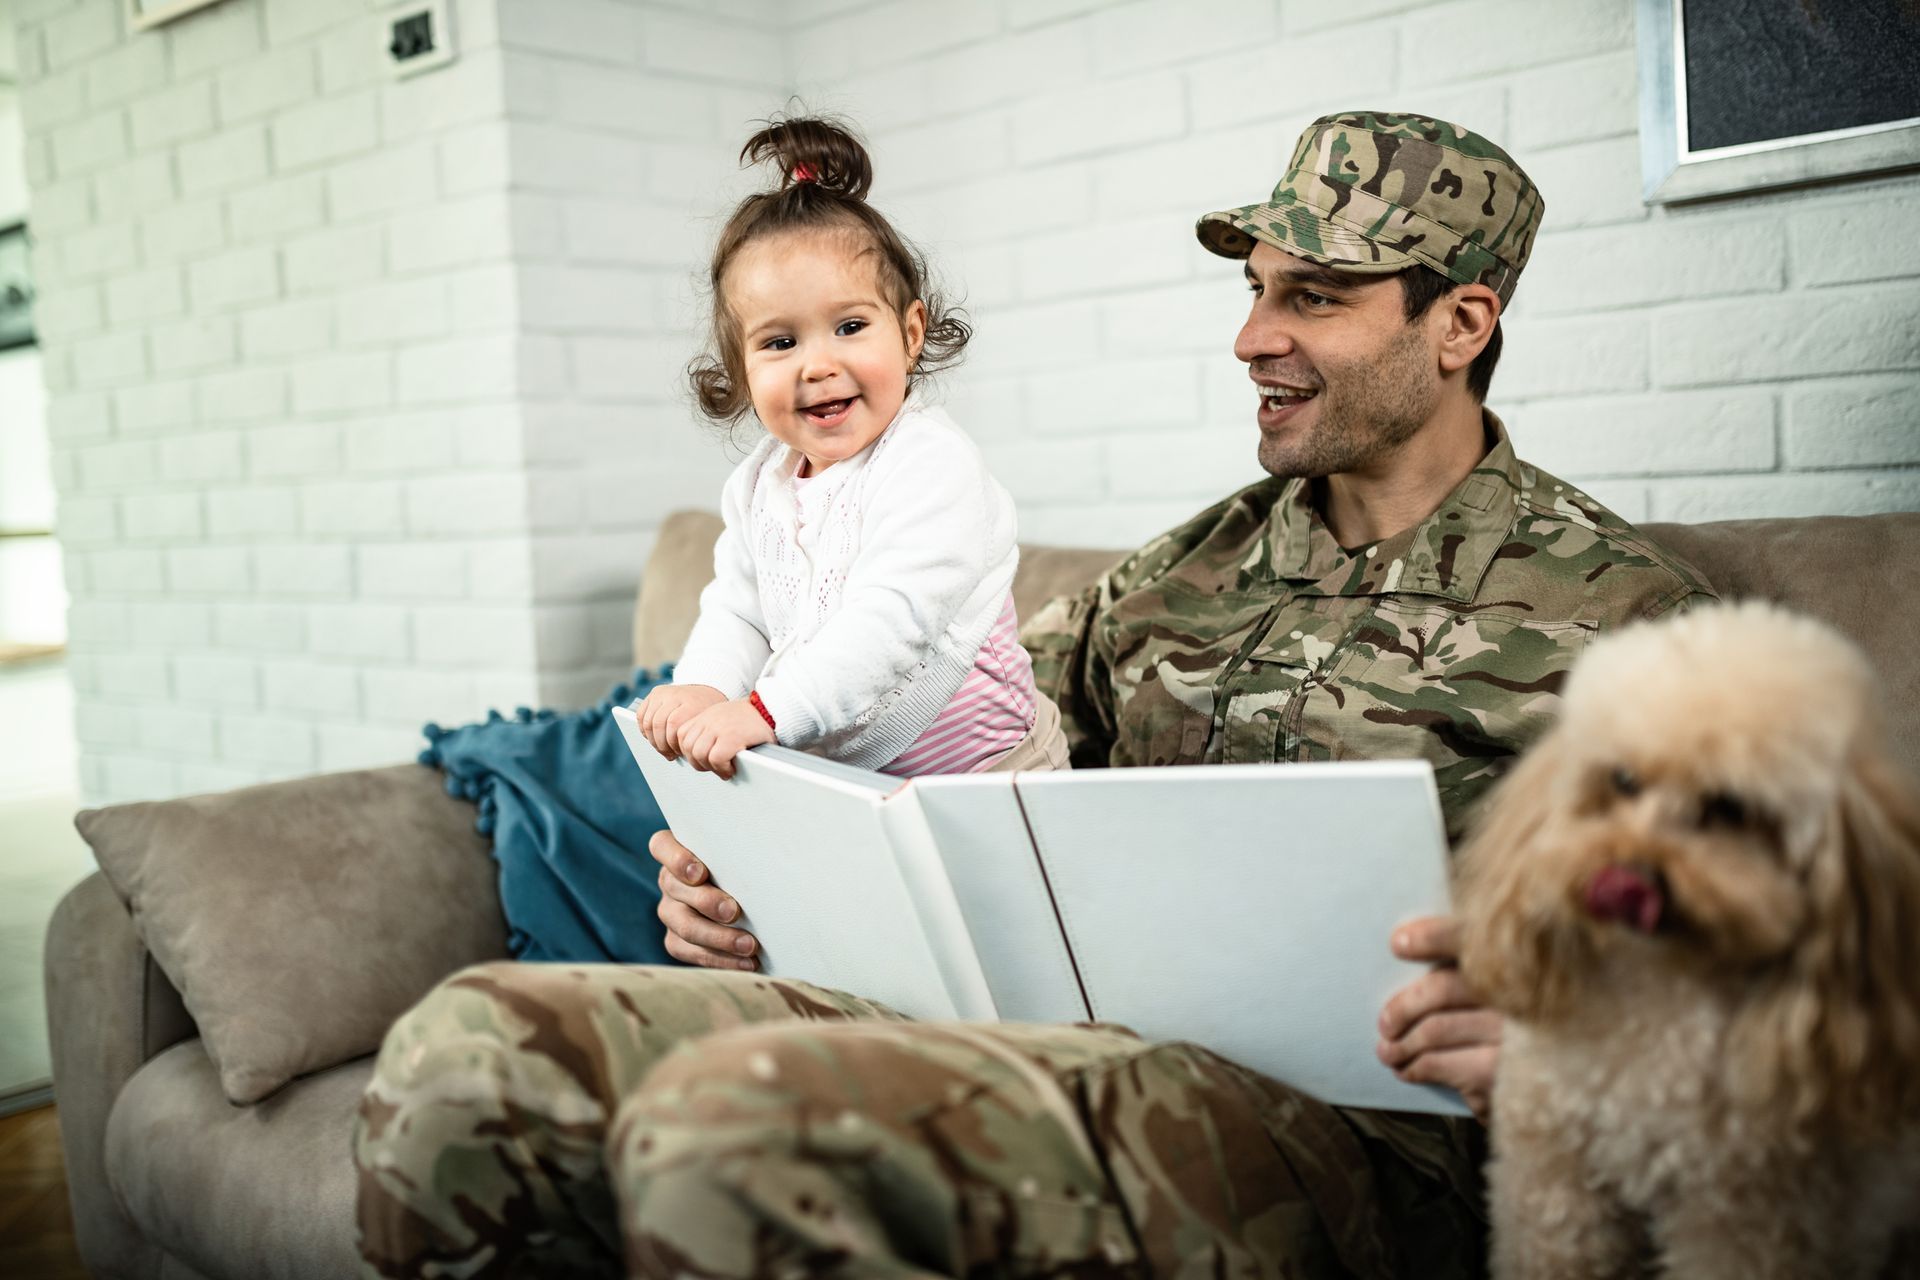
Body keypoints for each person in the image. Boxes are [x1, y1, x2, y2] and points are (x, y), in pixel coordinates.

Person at [355, 111, 1716, 1279]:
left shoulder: (1632, 626)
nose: (1251, 335)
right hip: (1040, 1039)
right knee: (473, 1056)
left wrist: (1560, 1031)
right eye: (1253, 289)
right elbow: (931, 761)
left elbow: (1773, 991)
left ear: (1460, 324)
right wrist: (740, 883)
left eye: (1312, 296)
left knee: (742, 1119)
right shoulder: (1173, 580)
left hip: (1352, 1138)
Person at [635, 115, 1068, 783]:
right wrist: (704, 687)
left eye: (849, 326)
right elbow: (738, 612)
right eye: (780, 342)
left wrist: (764, 710)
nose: (818, 364)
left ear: (911, 332)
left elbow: (893, 618)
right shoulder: (758, 488)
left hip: (994, 774)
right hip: (860, 782)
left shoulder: (928, 463)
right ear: (742, 366)